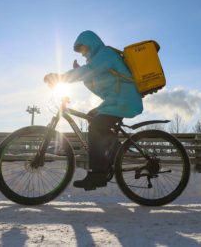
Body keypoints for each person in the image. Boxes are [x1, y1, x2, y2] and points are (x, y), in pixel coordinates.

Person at [44, 30, 143, 190]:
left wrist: (60, 77)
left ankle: (98, 173)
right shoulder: (99, 59)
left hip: (124, 100)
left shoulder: (106, 54)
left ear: (91, 44)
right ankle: (115, 148)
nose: (83, 53)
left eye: (83, 49)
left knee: (96, 126)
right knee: (92, 117)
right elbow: (95, 81)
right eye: (81, 51)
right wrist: (82, 72)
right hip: (116, 100)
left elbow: (89, 71)